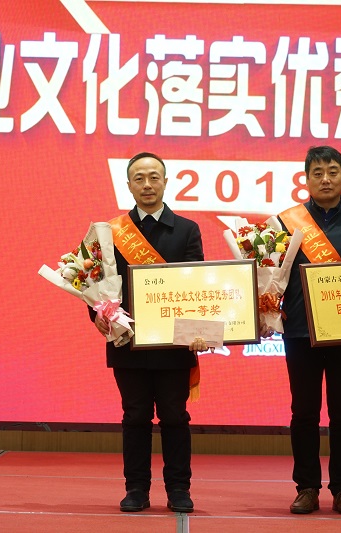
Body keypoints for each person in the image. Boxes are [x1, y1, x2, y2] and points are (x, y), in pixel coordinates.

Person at [92, 152, 204, 514]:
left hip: (173, 343)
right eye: (139, 178)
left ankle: (179, 489)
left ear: (166, 182)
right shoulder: (110, 233)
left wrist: (199, 329)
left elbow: (197, 286)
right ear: (128, 185)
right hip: (128, 342)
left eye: (154, 177)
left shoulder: (187, 230)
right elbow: (95, 282)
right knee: (135, 416)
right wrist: (97, 315)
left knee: (175, 416)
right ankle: (136, 489)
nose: (147, 185)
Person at [277, 146, 341, 515]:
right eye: (317, 172)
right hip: (300, 331)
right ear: (306, 178)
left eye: (333, 171)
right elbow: (273, 277)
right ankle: (306, 487)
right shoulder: (286, 222)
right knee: (303, 412)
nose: (325, 179)